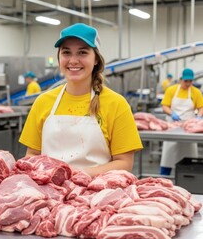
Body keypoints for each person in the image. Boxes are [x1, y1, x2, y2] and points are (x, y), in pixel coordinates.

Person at [19, 23, 143, 177]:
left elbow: (124, 163)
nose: (73, 60)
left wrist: (75, 175)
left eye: (82, 53)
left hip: (95, 193)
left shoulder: (116, 104)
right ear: (59, 58)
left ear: (96, 59)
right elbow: (31, 154)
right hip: (50, 193)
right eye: (66, 53)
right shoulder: (43, 102)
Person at [160, 68, 203, 175]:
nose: (188, 83)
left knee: (189, 158)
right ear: (181, 79)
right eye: (186, 81)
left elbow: (201, 107)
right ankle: (163, 180)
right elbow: (165, 106)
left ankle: (189, 180)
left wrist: (199, 117)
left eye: (190, 81)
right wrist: (171, 113)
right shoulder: (171, 90)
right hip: (173, 128)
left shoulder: (196, 92)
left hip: (189, 129)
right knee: (167, 158)